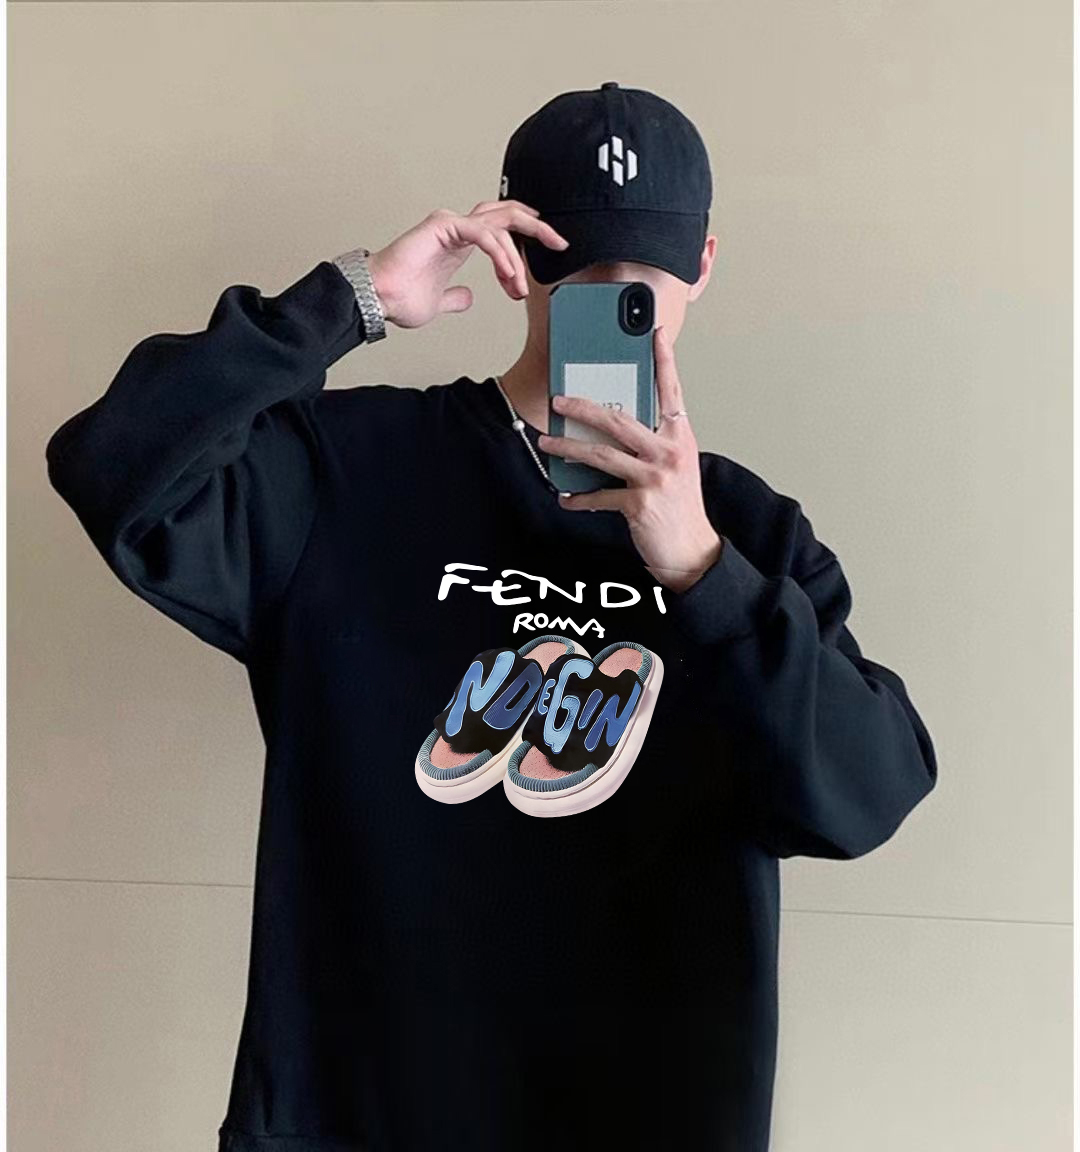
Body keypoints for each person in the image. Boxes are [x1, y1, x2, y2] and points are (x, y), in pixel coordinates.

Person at [45, 82, 937, 1152]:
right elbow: (112, 465)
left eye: (647, 271)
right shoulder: (347, 469)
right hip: (355, 1117)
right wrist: (348, 301)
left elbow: (868, 795)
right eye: (577, 263)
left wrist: (704, 574)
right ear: (513, 256)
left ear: (702, 264)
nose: (618, 295)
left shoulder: (747, 533)